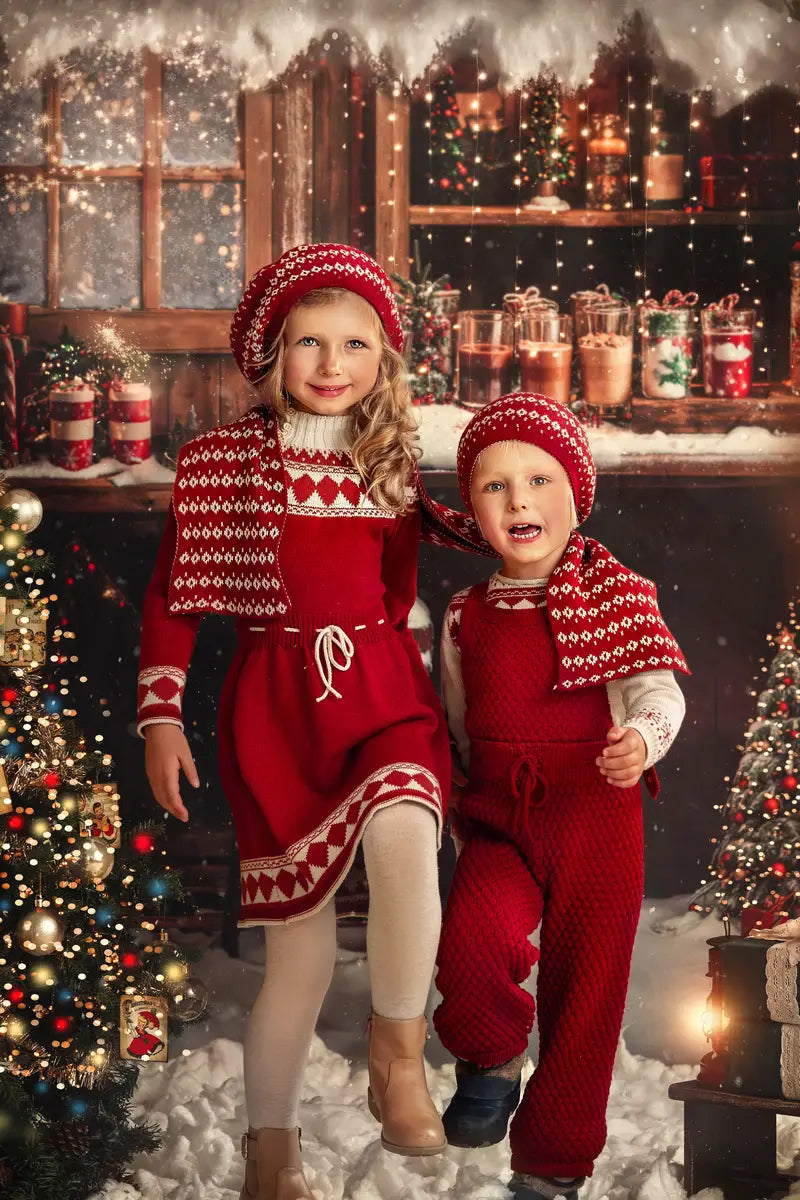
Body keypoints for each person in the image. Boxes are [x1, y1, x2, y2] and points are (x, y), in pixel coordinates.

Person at [137, 243, 486, 1200]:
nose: (334, 365)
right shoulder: (223, 465)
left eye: (356, 345)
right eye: (311, 344)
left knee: (411, 830)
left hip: (378, 688)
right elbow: (174, 597)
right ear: (271, 354)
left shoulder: (389, 462)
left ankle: (398, 1056)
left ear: (385, 359)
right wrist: (160, 715)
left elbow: (396, 590)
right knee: (298, 951)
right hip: (276, 705)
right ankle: (270, 1151)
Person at [433, 392, 689, 1200]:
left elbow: (661, 692)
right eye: (494, 486)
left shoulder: (617, 595)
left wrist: (641, 739)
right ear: (471, 508)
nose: (518, 502)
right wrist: (458, 798)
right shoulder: (465, 612)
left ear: (575, 494)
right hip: (500, 812)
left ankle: (552, 1162)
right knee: (472, 944)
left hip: (595, 813)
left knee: (586, 992)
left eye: (539, 481)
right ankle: (491, 1056)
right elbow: (458, 716)